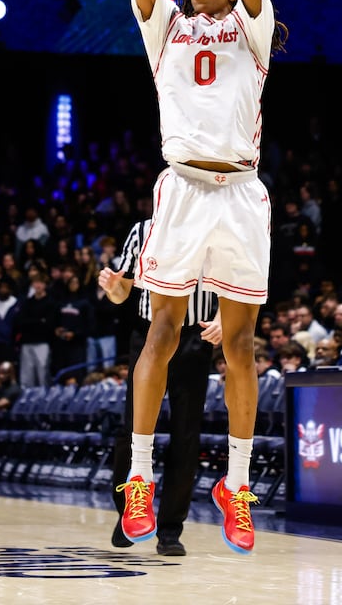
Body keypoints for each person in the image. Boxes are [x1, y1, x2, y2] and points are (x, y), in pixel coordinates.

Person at [120, 0, 288, 555]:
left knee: (241, 345)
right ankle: (139, 476)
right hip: (184, 189)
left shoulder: (254, 27)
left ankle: (237, 486)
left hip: (242, 193)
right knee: (162, 331)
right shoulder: (166, 28)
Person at [99, 218, 221, 556]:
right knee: (132, 429)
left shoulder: (214, 228)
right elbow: (122, 292)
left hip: (195, 336)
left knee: (186, 433)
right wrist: (112, 287)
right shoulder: (142, 230)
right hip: (149, 333)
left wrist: (222, 318)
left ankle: (170, 529)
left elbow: (230, 285)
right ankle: (128, 512)